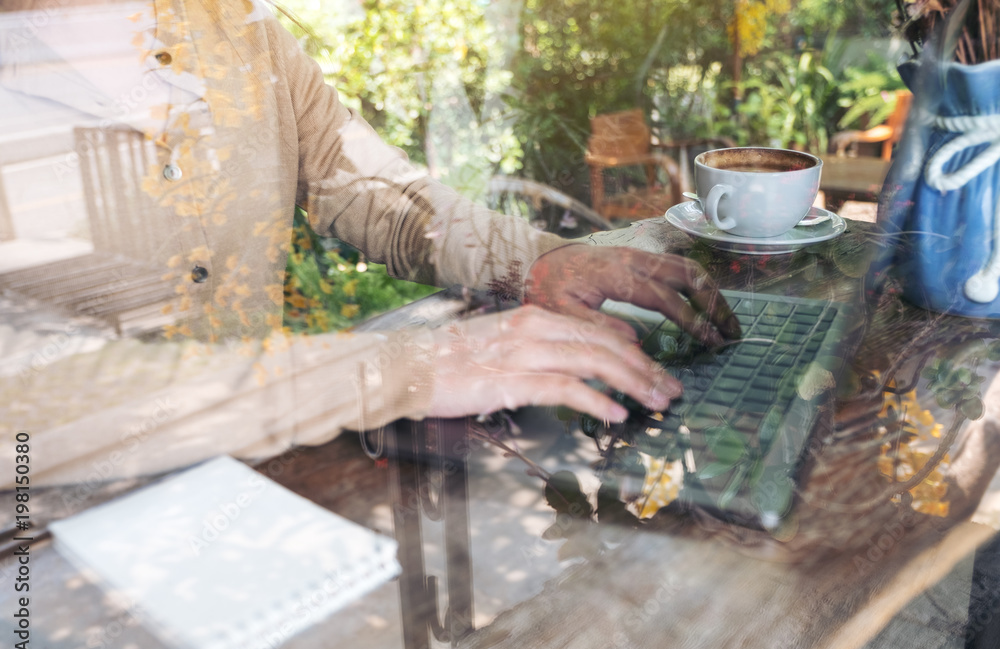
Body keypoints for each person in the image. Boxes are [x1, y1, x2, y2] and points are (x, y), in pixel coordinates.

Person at [0, 0, 738, 489]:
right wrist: (382, 370)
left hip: (245, 494)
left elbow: (364, 182)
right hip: (38, 551)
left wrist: (537, 259)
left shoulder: (237, 28)